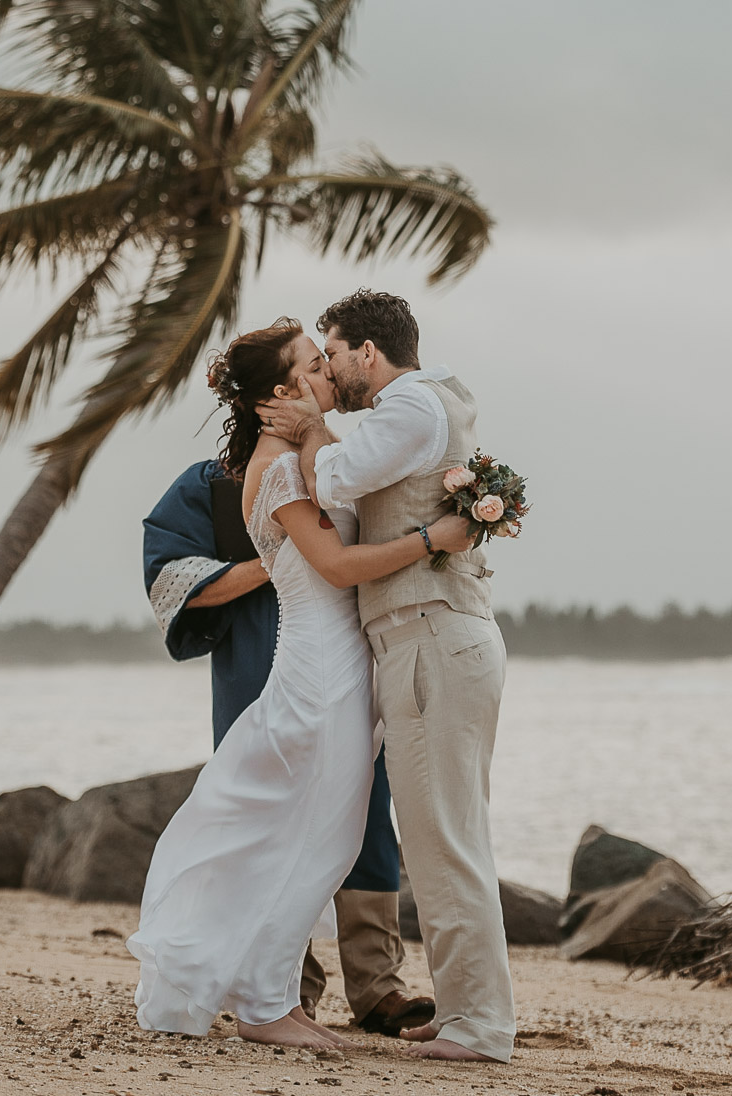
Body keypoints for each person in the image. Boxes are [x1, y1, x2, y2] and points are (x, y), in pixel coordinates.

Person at [127, 318, 473, 1050]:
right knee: (314, 837)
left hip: (345, 665)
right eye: (315, 364)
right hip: (316, 669)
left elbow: (351, 480)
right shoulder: (276, 469)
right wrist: (434, 540)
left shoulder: (311, 456)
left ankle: (273, 998)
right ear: (283, 390)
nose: (331, 372)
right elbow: (339, 569)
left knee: (327, 837)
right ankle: (268, 1008)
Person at [258, 289, 517, 1064]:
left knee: (445, 833)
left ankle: (481, 1026)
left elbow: (334, 480)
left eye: (332, 352)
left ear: (367, 352)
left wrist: (311, 431)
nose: (329, 368)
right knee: (439, 833)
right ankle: (468, 1008)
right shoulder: (427, 404)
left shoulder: (409, 409)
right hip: (427, 637)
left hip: (430, 636)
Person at [142, 457, 433, 1034]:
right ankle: (285, 986)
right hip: (257, 659)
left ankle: (378, 984)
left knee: (365, 811)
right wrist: (277, 563)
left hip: (349, 658)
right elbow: (168, 579)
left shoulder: (344, 463)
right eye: (306, 369)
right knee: (266, 818)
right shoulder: (211, 484)